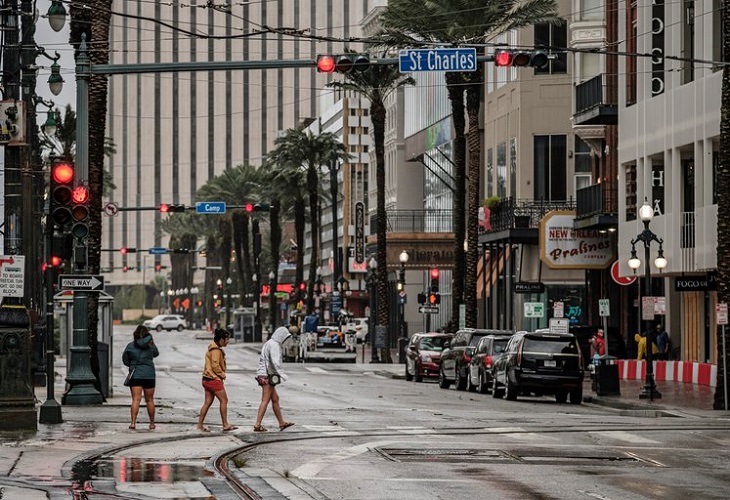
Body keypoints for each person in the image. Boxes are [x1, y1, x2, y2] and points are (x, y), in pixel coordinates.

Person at [254, 326, 295, 432]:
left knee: (275, 399)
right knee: (265, 400)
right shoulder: (275, 345)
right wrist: (282, 374)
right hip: (268, 375)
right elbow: (275, 362)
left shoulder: (269, 343)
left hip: (264, 374)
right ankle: (257, 424)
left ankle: (281, 422)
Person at [197, 328, 238, 432]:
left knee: (207, 402)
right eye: (227, 339)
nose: (228, 341)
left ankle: (200, 425)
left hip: (206, 378)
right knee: (224, 400)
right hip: (213, 379)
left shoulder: (211, 348)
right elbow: (215, 365)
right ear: (221, 339)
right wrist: (222, 375)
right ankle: (225, 424)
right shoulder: (216, 350)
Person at [122, 325, 159, 430]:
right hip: (149, 375)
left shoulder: (130, 346)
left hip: (136, 375)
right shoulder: (150, 345)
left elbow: (125, 360)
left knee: (136, 399)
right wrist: (152, 343)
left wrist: (132, 365)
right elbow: (156, 354)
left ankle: (133, 423)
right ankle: (152, 423)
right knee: (150, 400)